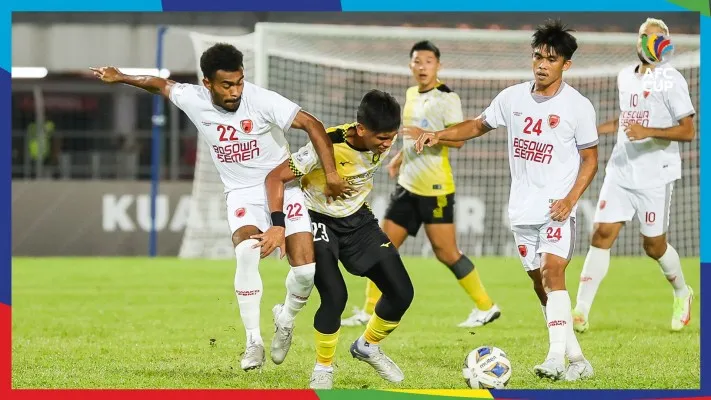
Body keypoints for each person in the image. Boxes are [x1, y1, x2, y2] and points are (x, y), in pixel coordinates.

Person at [90, 43, 349, 371]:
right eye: (227, 85)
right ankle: (253, 341)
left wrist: (331, 173)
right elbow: (159, 84)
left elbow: (313, 124)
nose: (236, 91)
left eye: (239, 82)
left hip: (284, 189)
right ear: (207, 83)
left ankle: (285, 318)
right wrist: (121, 76)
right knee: (245, 253)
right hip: (241, 193)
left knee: (305, 272)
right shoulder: (193, 98)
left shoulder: (261, 100)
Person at [411, 20, 597, 381]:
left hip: (557, 209)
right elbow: (477, 125)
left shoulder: (578, 106)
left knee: (553, 272)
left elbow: (590, 158)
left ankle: (555, 357)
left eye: (551, 59)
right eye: (537, 56)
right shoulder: (512, 97)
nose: (542, 64)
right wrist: (440, 135)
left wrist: (571, 199)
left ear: (566, 65)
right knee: (539, 285)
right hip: (522, 210)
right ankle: (577, 360)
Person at [259, 90, 413, 389]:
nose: (387, 144)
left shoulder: (383, 138)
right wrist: (278, 224)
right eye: (382, 138)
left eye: (392, 137)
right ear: (361, 129)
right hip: (316, 219)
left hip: (358, 220)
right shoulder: (326, 145)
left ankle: (367, 345)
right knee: (335, 296)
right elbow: (275, 178)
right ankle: (323, 367)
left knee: (401, 291)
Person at [341, 40, 500, 329]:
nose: (422, 66)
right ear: (410, 65)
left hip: (435, 189)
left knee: (447, 253)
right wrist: (399, 157)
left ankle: (486, 306)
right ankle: (367, 311)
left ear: (438, 65)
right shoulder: (411, 93)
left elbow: (460, 139)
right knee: (381, 245)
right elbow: (412, 138)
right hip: (407, 186)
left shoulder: (447, 98)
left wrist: (429, 133)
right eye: (417, 61)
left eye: (428, 61)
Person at [572, 18, 695, 333]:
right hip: (621, 168)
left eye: (656, 39)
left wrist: (647, 131)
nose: (648, 43)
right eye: (644, 37)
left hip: (655, 174)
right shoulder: (624, 76)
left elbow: (687, 130)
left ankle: (683, 291)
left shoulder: (672, 80)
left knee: (653, 246)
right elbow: (628, 118)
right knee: (601, 235)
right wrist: (597, 130)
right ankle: (580, 311)